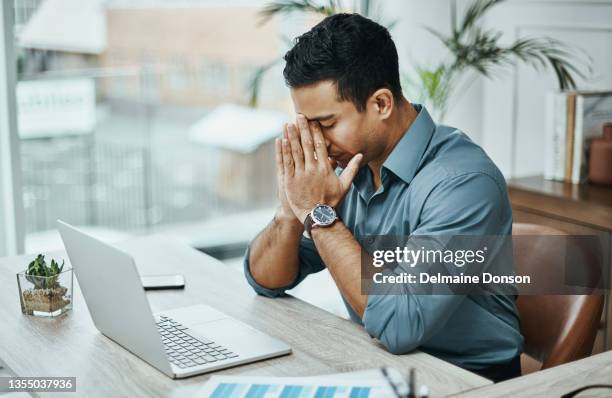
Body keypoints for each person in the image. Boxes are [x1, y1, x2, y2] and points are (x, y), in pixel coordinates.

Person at [243, 13, 523, 382]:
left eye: (326, 124)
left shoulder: (464, 183)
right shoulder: (348, 168)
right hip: (377, 362)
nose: (317, 141)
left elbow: (399, 324)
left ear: (381, 104)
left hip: (468, 379)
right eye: (308, 125)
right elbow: (267, 279)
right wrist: (290, 210)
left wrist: (318, 213)